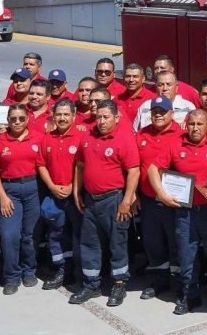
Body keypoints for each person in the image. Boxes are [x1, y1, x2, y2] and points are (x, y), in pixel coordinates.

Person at [154, 109, 207, 316]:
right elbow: (153, 168)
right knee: (186, 257)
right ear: (186, 124)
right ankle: (189, 296)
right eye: (192, 124)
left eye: (200, 124)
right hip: (185, 213)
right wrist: (162, 195)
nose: (195, 128)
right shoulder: (175, 143)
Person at [70, 99, 140, 307]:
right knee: (89, 243)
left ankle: (119, 283)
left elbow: (134, 171)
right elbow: (80, 165)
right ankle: (91, 284)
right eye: (98, 117)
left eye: (106, 117)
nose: (101, 121)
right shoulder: (88, 137)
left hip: (114, 200)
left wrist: (126, 200)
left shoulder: (124, 139)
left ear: (116, 118)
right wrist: (77, 191)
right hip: (91, 200)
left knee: (117, 243)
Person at [0, 103, 43, 295]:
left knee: (30, 235)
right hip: (9, 191)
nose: (17, 122)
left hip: (33, 188)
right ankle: (11, 276)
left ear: (27, 119)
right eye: (13, 119)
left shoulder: (38, 138)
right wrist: (2, 196)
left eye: (21, 118)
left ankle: (29, 270)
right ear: (7, 120)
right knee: (9, 234)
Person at [135, 97, 182, 301]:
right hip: (149, 200)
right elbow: (134, 167)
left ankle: (180, 283)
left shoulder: (182, 134)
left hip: (174, 201)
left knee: (176, 242)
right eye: (155, 112)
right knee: (153, 242)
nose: (158, 115)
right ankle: (159, 280)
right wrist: (133, 193)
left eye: (163, 112)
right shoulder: (142, 134)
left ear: (172, 113)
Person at [36, 99, 86, 290]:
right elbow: (41, 164)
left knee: (79, 235)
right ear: (53, 116)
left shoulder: (82, 137)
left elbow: (85, 166)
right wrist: (51, 186)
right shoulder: (47, 138)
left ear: (74, 116)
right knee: (57, 235)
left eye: (66, 114)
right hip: (55, 195)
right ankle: (63, 270)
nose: (62, 118)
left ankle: (82, 274)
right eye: (59, 114)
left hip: (77, 196)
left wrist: (73, 187)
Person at [116, 63, 157, 128]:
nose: (131, 80)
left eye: (135, 76)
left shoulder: (153, 99)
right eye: (128, 76)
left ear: (143, 79)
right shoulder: (117, 99)